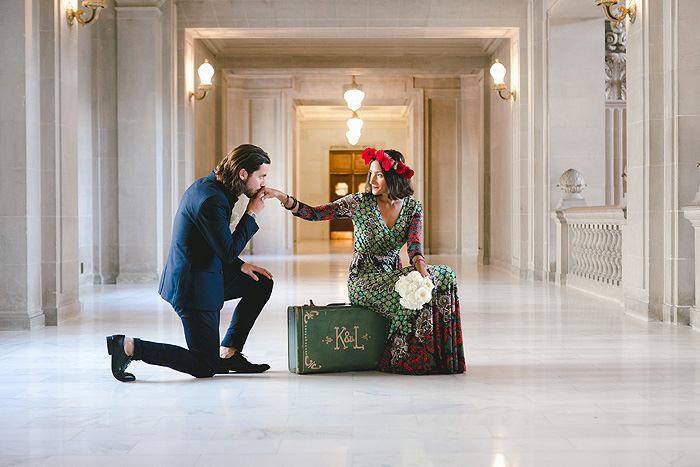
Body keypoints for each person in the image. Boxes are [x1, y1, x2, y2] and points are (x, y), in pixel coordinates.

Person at [265, 148, 465, 375]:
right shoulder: (359, 202)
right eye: (371, 174)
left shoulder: (412, 207)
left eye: (378, 174)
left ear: (394, 176)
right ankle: (403, 358)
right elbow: (316, 213)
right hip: (364, 280)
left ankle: (443, 358)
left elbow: (415, 244)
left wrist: (421, 269)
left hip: (394, 274)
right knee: (407, 293)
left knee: (445, 274)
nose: (372, 180)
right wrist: (284, 198)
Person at [107, 144, 274, 381]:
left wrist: (240, 266)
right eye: (262, 176)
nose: (263, 184)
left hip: (205, 274)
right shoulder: (211, 200)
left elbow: (213, 242)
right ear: (243, 173)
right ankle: (129, 347)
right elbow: (226, 251)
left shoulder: (215, 188)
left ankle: (229, 353)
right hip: (193, 287)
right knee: (205, 366)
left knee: (261, 282)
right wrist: (251, 214)